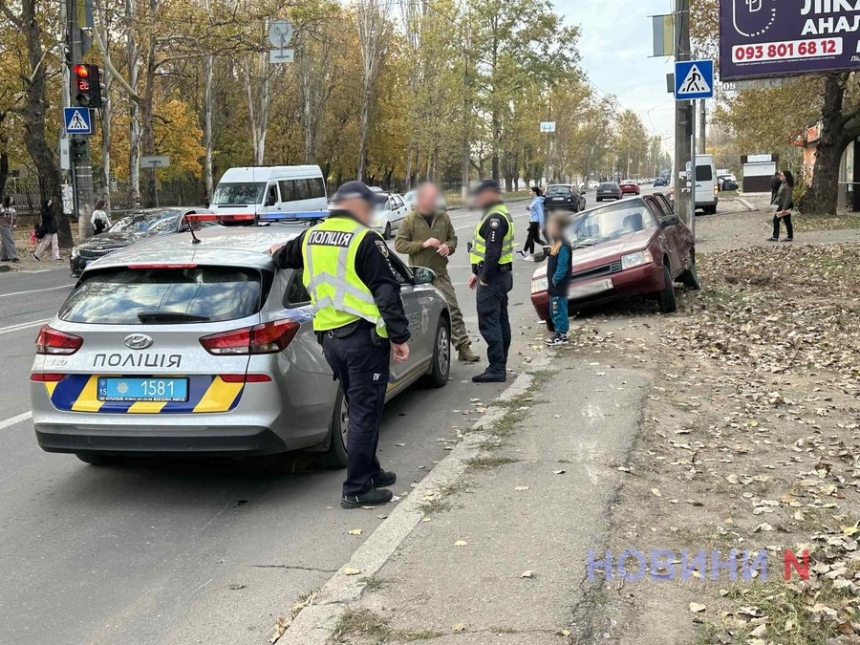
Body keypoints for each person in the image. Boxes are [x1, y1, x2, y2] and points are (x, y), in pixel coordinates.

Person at [271, 181, 411, 509]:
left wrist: (274, 252)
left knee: (360, 407)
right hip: (362, 340)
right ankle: (357, 488)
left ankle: (371, 471)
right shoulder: (365, 239)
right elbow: (386, 291)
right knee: (365, 412)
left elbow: (282, 257)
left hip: (330, 340)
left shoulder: (311, 236)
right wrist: (400, 337)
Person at [394, 182, 480, 363]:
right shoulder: (410, 220)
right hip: (419, 276)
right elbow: (399, 245)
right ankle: (417, 352)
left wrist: (449, 247)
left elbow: (453, 239)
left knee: (452, 309)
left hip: (440, 273)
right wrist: (422, 245)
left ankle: (463, 347)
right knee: (420, 314)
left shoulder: (443, 217)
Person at [468, 179, 514, 383]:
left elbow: (492, 252)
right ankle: (500, 363)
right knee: (500, 319)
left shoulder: (494, 218)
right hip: (501, 276)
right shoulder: (500, 212)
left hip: (493, 278)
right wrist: (476, 272)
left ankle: (496, 367)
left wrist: (484, 278)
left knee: (490, 321)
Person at [543, 213, 572, 346]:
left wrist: (555, 279)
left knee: (559, 310)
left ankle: (562, 335)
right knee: (554, 310)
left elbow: (562, 266)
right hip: (554, 286)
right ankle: (558, 333)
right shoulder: (556, 243)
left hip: (558, 286)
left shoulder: (563, 245)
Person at [518, 186, 545, 260]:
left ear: (534, 192)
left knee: (530, 237)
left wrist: (542, 225)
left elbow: (540, 213)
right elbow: (535, 210)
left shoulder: (537, 201)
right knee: (536, 239)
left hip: (535, 222)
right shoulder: (535, 200)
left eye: (530, 191)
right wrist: (529, 208)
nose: (529, 193)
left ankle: (531, 255)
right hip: (533, 221)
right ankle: (548, 247)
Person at [769, 170, 795, 242]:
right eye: (780, 175)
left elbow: (788, 197)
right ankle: (789, 236)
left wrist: (784, 208)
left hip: (785, 205)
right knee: (786, 220)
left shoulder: (788, 186)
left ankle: (776, 236)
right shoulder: (783, 183)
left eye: (782, 175)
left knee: (776, 219)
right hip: (782, 204)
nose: (780, 177)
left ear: (786, 177)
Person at [0, 196, 19, 263]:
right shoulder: (2, 206)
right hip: (4, 225)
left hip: (10, 226)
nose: (12, 200)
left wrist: (14, 223)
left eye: (12, 199)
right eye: (10, 199)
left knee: (5, 241)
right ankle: (14, 257)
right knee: (10, 240)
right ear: (7, 200)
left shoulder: (12, 208)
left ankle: (3, 257)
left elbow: (14, 216)